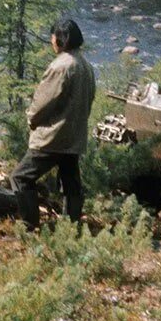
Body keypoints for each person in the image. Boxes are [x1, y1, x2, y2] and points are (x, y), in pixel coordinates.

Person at [11, 19, 96, 230]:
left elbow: (42, 103)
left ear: (60, 39)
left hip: (53, 136)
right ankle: (70, 229)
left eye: (53, 37)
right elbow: (89, 100)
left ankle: (29, 226)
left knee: (20, 177)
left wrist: (31, 119)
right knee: (71, 184)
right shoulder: (86, 65)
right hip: (74, 136)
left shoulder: (61, 66)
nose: (51, 41)